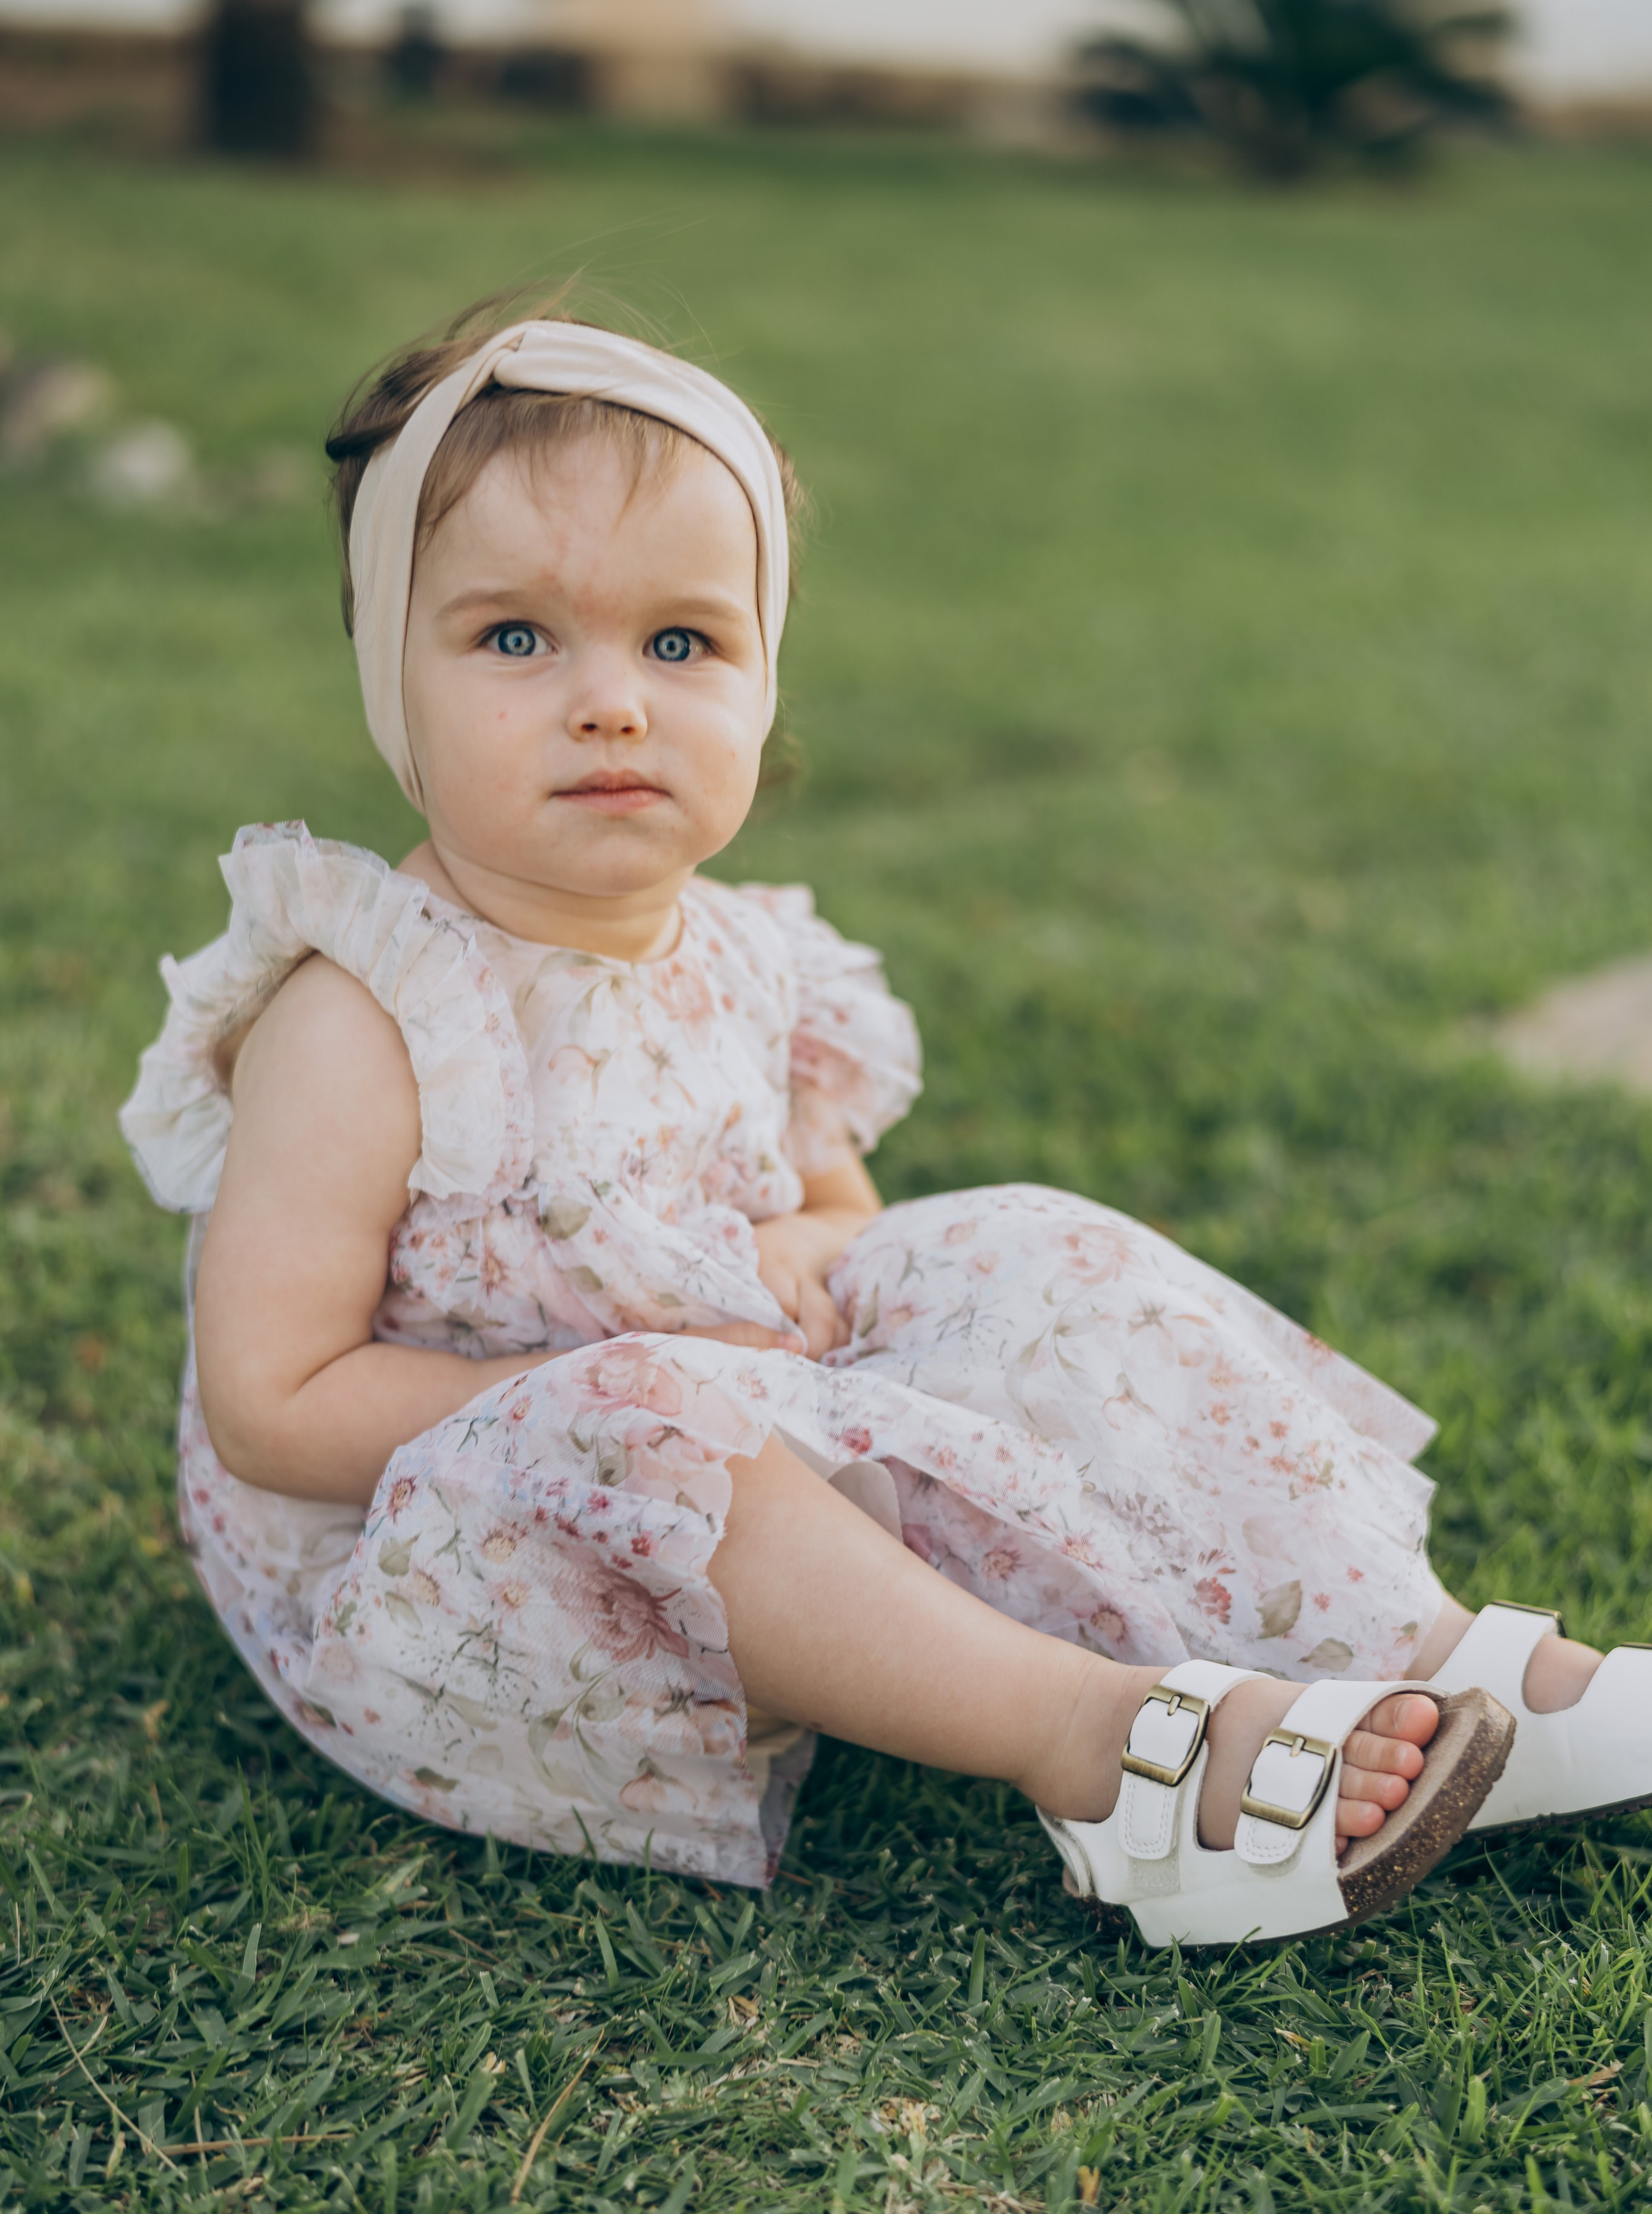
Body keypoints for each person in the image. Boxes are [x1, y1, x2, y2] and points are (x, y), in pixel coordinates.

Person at [121, 303, 1652, 1949]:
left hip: (752, 1473)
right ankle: (1099, 1753)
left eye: (681, 644)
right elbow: (276, 1408)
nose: (611, 705)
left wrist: (806, 1243)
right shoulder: (362, 1016)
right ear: (388, 683)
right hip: (454, 1578)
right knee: (635, 1409)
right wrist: (617, 1393)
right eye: (512, 641)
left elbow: (841, 1224)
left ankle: (1400, 1646)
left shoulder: (754, 962)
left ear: (766, 677)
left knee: (1005, 1239)